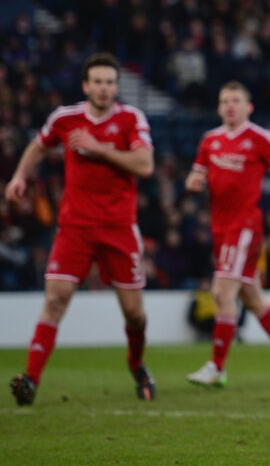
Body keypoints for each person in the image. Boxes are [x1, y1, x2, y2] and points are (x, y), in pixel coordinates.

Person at [6, 53, 157, 406]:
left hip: (119, 227)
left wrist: (99, 148)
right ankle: (30, 379)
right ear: (85, 85)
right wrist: (19, 176)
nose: (104, 88)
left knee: (134, 314)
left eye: (110, 82)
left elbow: (145, 164)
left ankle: (136, 364)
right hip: (74, 227)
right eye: (98, 82)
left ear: (116, 87)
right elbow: (38, 146)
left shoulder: (131, 118)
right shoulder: (65, 118)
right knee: (56, 300)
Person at [183, 81, 270, 389]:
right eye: (225, 101)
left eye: (236, 100)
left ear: (248, 107)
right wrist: (193, 182)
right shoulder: (209, 140)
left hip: (245, 226)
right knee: (250, 295)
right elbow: (196, 174)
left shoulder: (260, 138)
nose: (230, 106)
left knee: (222, 293)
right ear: (219, 106)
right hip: (219, 228)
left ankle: (216, 367)